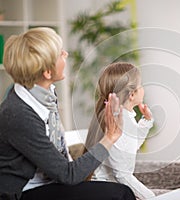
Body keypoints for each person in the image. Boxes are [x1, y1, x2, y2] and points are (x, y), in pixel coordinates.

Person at [0, 27, 136, 200]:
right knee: (120, 194)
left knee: (118, 190)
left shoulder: (42, 95)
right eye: (60, 54)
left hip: (50, 182)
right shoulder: (18, 114)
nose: (66, 54)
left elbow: (62, 160)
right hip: (23, 193)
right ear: (47, 72)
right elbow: (67, 175)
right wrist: (109, 138)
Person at [85, 62, 155, 200]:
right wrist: (152, 197)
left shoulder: (122, 116)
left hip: (108, 189)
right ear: (132, 94)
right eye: (141, 85)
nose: (143, 89)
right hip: (105, 194)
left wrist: (146, 122)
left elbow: (130, 147)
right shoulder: (121, 121)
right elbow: (122, 174)